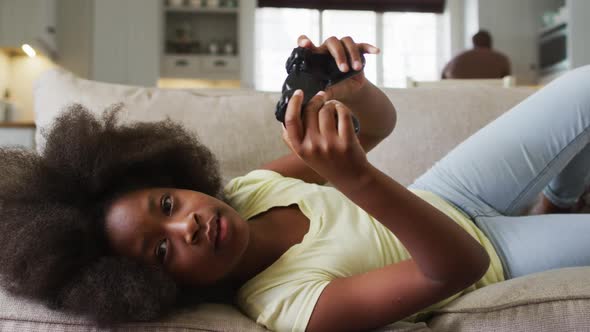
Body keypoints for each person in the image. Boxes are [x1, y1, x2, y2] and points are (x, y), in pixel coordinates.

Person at [1, 35, 589, 332]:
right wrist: (354, 178)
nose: (190, 224)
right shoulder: (284, 306)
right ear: (151, 290)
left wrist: (352, 92)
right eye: (161, 249)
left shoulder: (250, 190)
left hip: (449, 191)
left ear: (174, 179)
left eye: (167, 203)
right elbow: (454, 268)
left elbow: (378, 127)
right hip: (492, 257)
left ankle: (557, 200)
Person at [441, 30, 511, 79]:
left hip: (462, 93)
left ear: (473, 42)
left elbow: (444, 75)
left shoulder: (459, 57)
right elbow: (507, 80)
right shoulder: (501, 59)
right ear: (490, 42)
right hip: (492, 94)